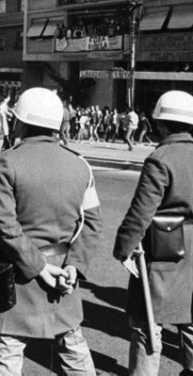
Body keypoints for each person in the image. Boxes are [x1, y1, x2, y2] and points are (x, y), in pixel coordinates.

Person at [0, 87, 102, 375]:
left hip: (17, 270)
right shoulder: (80, 164)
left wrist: (38, 267)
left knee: (6, 350)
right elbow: (92, 223)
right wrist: (75, 265)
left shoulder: (8, 162)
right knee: (72, 347)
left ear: (21, 122)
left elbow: (6, 226)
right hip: (64, 270)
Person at [113, 90, 193, 375]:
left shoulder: (161, 158)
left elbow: (141, 212)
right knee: (191, 319)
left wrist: (123, 248)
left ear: (160, 124)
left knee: (148, 321)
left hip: (163, 247)